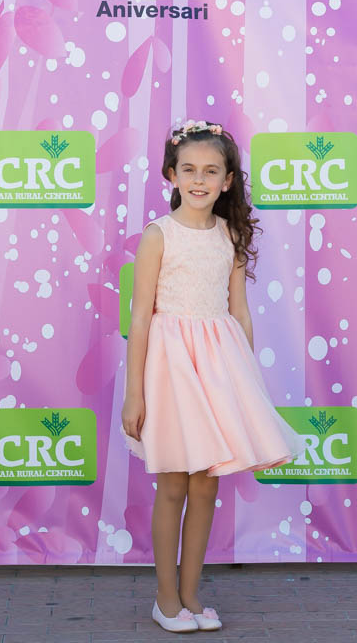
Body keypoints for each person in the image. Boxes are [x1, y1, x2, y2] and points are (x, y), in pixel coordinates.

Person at [121, 119, 304, 633]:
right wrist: (135, 393)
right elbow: (141, 318)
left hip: (220, 367)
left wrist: (248, 384)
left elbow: (239, 311)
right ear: (171, 175)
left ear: (227, 180)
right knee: (173, 484)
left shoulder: (231, 235)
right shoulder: (158, 236)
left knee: (205, 486)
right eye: (188, 170)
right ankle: (165, 599)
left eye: (210, 171)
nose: (198, 180)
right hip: (171, 370)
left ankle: (191, 594)